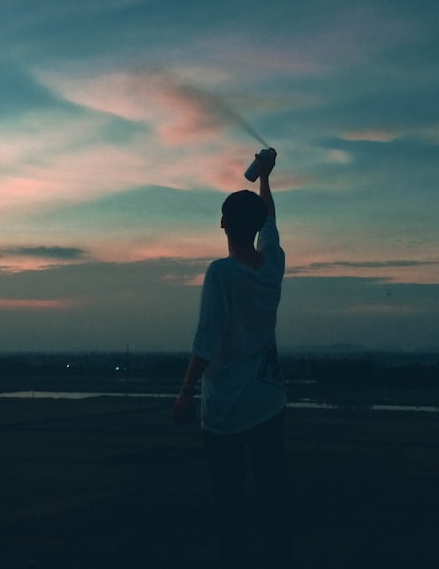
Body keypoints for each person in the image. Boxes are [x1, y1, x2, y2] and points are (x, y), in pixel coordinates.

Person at [173, 148, 291, 569]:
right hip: (269, 402)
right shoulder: (273, 265)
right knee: (274, 500)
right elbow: (271, 221)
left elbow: (207, 341)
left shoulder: (221, 274)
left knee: (229, 505)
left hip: (225, 412)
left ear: (224, 224)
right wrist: (265, 176)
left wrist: (186, 394)